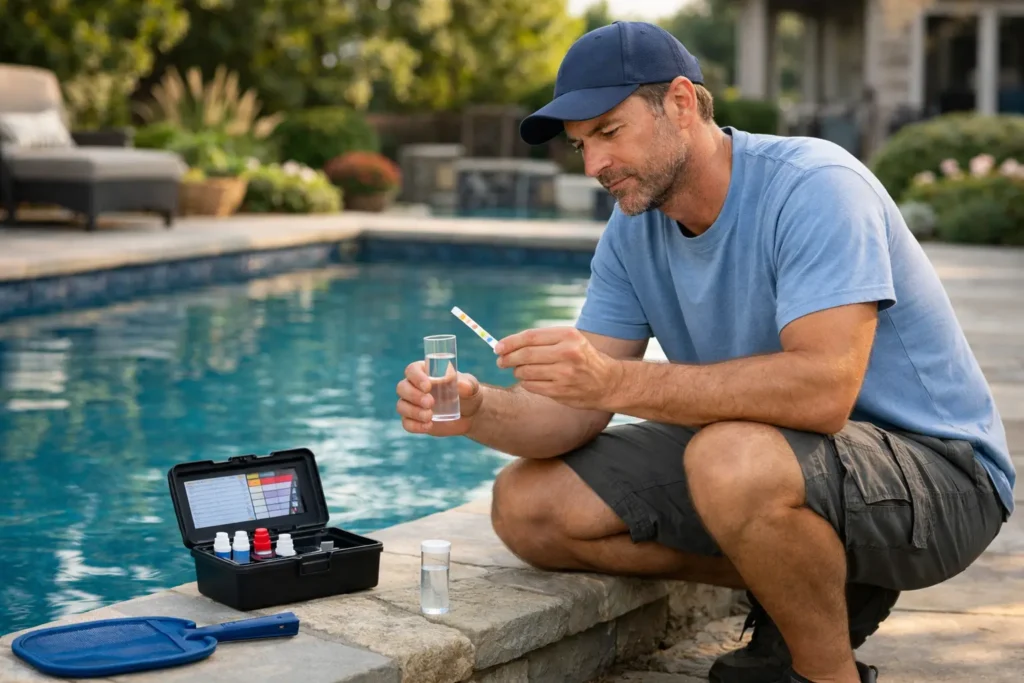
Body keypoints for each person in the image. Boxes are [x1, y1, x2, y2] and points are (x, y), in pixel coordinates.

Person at [394, 21, 1014, 683]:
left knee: (727, 457)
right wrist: (478, 409)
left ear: (683, 105)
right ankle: (812, 577)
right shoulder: (633, 230)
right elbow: (567, 415)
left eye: (609, 131)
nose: (595, 165)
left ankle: (822, 672)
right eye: (580, 146)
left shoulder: (815, 186)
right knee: (529, 506)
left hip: (941, 476)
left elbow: (821, 391)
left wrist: (613, 382)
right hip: (784, 460)